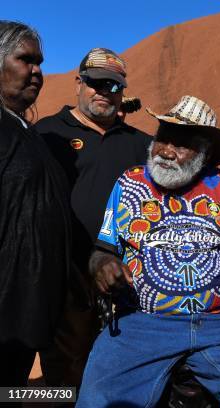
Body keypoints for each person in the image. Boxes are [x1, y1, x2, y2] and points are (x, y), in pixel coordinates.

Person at [76, 96, 220, 407]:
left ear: (205, 152)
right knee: (98, 399)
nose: (166, 151)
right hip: (141, 322)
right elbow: (102, 249)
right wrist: (103, 264)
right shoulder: (129, 184)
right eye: (163, 138)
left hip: (219, 325)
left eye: (182, 144)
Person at [35, 47, 151, 390]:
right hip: (64, 277)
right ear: (78, 83)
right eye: (96, 83)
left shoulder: (142, 144)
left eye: (113, 86)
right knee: (66, 369)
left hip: (127, 278)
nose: (104, 92)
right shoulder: (46, 134)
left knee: (123, 366)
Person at [0, 21, 72, 388]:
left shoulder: (28, 131)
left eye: (40, 62)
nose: (37, 71)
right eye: (25, 59)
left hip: (30, 311)